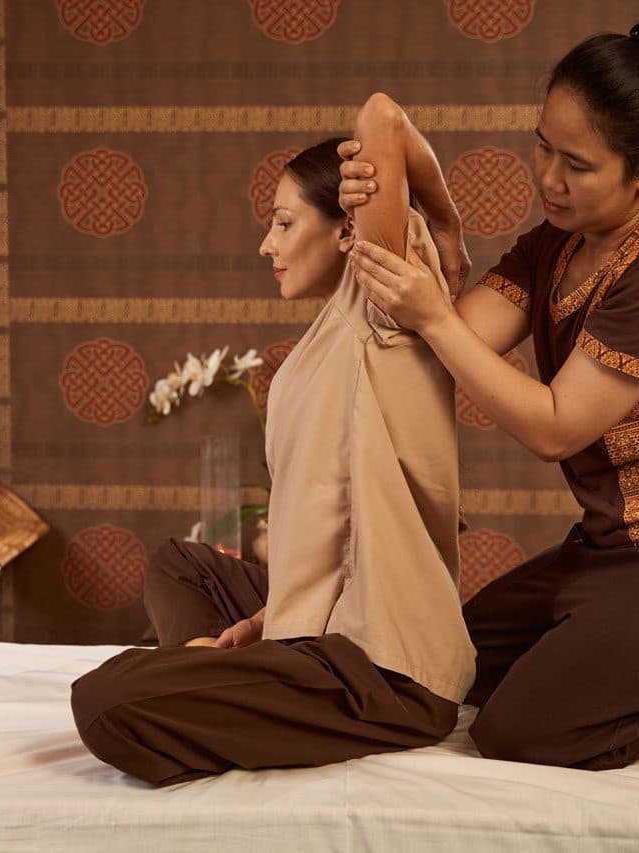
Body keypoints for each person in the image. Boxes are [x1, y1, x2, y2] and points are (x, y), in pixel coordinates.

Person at [340, 18, 639, 769]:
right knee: (440, 668)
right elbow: (432, 347)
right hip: (608, 554)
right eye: (543, 146)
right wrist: (428, 226)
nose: (549, 179)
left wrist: (432, 313)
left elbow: (555, 426)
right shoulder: (553, 246)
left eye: (578, 164)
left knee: (520, 731)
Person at [70, 92, 475, 785]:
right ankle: (226, 670)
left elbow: (381, 117)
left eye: (285, 222)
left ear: (349, 230)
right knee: (182, 563)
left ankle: (214, 683)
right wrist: (268, 617)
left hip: (383, 668)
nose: (267, 244)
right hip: (318, 625)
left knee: (104, 699)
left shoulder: (383, 303)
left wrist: (445, 226)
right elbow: (335, 528)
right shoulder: (326, 334)